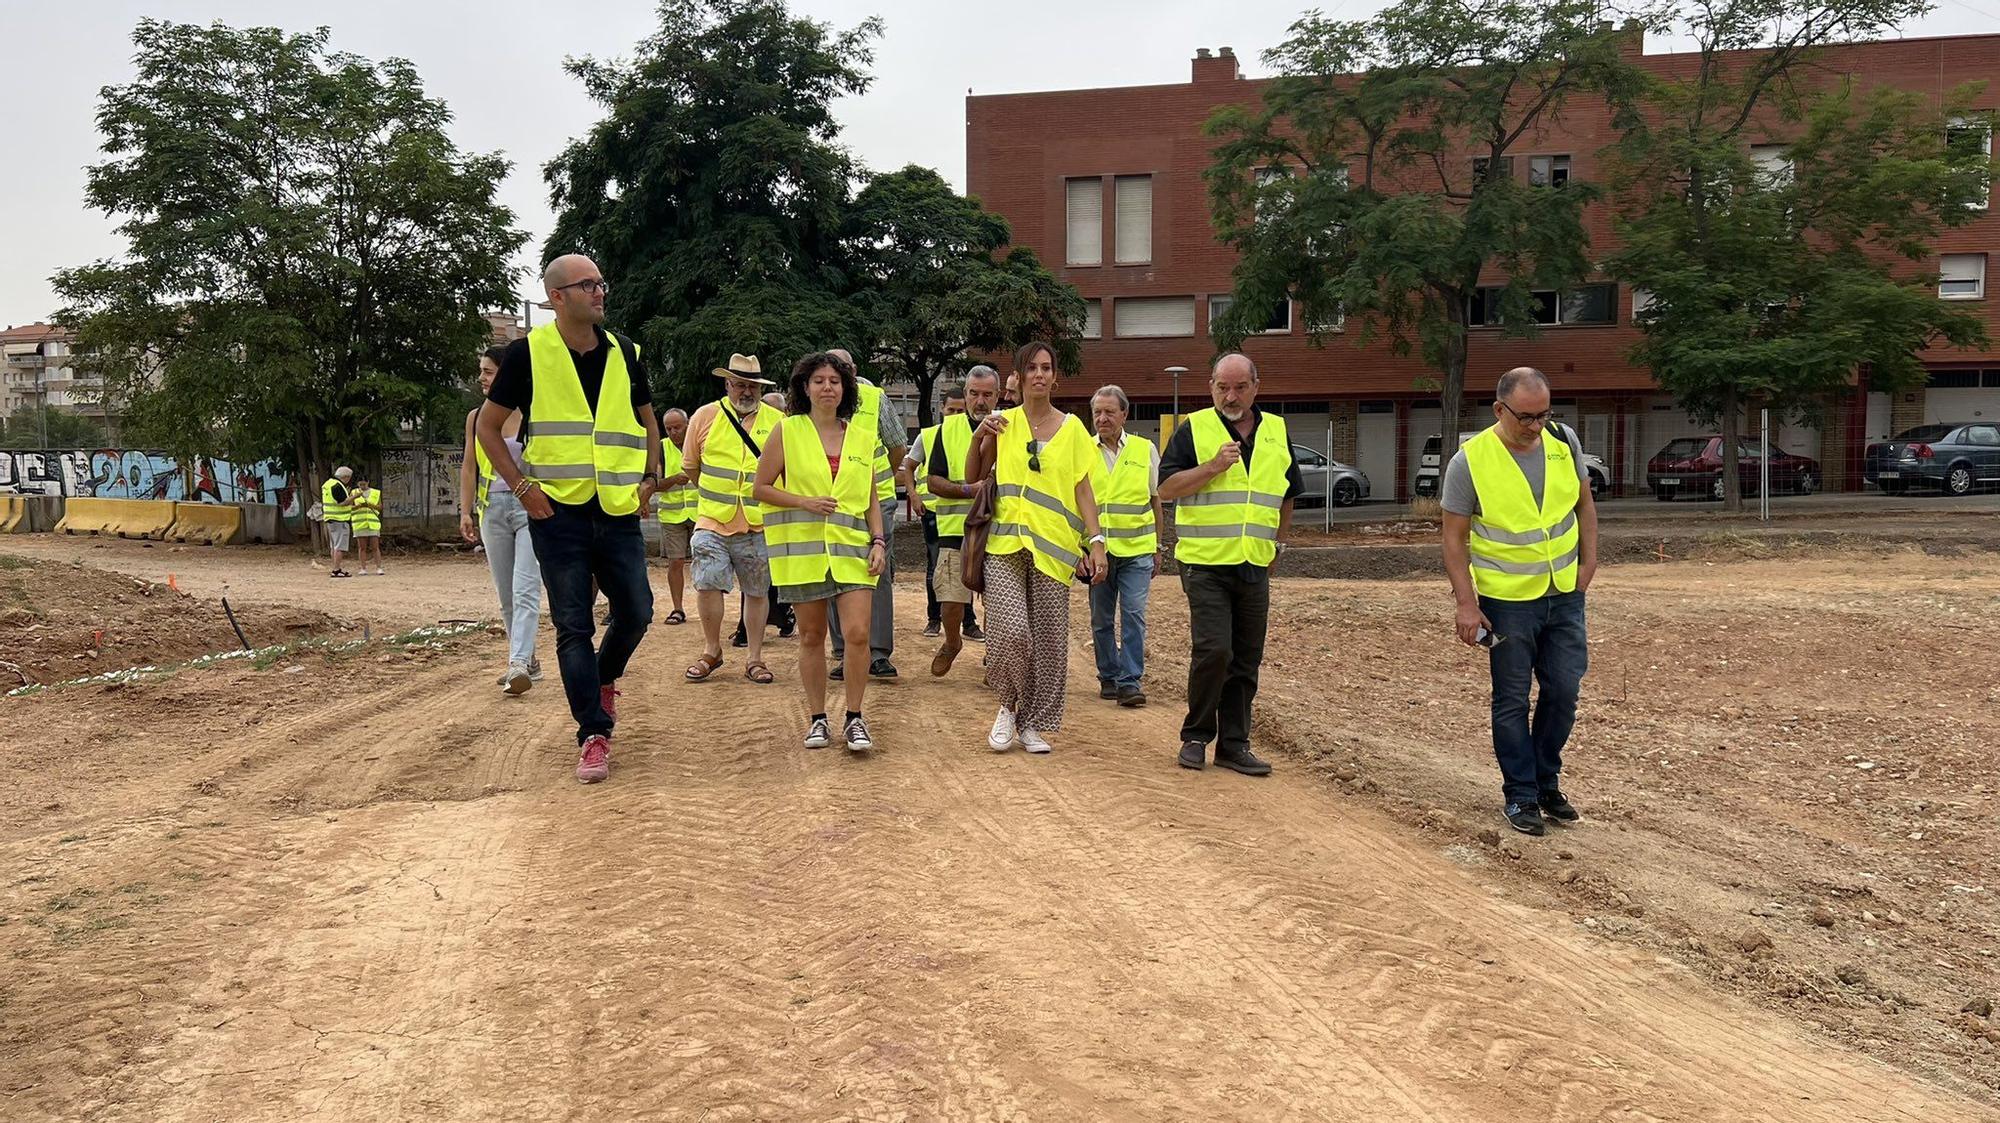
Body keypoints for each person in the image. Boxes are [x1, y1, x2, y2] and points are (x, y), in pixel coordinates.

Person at [478, 254, 660, 784]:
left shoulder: (625, 351)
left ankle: (602, 680)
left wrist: (650, 477)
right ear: (557, 297)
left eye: (602, 283)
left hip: (618, 508)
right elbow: (489, 430)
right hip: (556, 512)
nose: (600, 292)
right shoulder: (526, 355)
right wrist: (523, 488)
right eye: (588, 285)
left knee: (638, 612)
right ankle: (593, 733)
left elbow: (647, 420)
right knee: (573, 625)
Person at [1441, 367, 1598, 837]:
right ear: (1499, 410)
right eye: (1526, 417)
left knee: (1564, 691)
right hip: (1507, 602)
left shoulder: (1563, 441)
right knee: (1511, 700)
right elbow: (1453, 539)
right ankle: (1521, 794)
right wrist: (1466, 604)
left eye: (1544, 414)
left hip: (1564, 595)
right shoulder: (1470, 461)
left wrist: (1588, 565)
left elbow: (1584, 505)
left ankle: (1546, 781)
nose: (1536, 425)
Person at [1159, 353, 1303, 777]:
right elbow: (1166, 488)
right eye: (1223, 387)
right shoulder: (1195, 429)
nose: (1231, 395)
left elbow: (1288, 493)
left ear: (1256, 387)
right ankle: (1196, 735)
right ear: (1211, 387)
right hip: (1204, 563)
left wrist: (1278, 544)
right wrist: (1212, 467)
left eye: (1240, 387)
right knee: (1214, 649)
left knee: (1246, 656)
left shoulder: (1276, 430)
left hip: (1254, 563)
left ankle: (1234, 745)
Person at [965, 342, 1107, 753]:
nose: (1040, 374)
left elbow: (1083, 489)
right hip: (1005, 543)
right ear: (1019, 377)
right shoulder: (1002, 423)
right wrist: (979, 437)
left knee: (1047, 640)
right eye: (1032, 368)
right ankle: (1008, 707)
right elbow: (974, 475)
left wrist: (1095, 542)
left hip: (1054, 548)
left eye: (1047, 367)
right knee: (1012, 632)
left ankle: (1033, 724)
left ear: (1055, 377)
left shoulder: (1075, 429)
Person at [752, 352, 889, 751]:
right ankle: (817, 718)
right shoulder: (787, 430)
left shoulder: (863, 436)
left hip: (853, 551)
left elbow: (871, 498)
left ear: (845, 389)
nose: (827, 387)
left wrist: (878, 541)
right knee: (812, 636)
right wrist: (803, 502)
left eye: (834, 380)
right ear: (804, 387)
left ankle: (855, 717)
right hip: (804, 554)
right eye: (819, 381)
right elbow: (761, 488)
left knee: (858, 635)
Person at [683, 353, 782, 685]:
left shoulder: (777, 420)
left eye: (752, 385)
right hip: (712, 519)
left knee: (757, 590)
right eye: (739, 384)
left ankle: (755, 658)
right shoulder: (705, 416)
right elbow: (691, 466)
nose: (746, 391)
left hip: (758, 522)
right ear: (727, 384)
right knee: (708, 581)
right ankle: (712, 650)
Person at [460, 344, 542, 694]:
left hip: (529, 508)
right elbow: (469, 465)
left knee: (525, 589)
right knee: (506, 593)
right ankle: (526, 660)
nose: (481, 377)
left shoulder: (533, 413)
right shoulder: (476, 417)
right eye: (481, 370)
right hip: (491, 509)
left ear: (507, 373)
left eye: (488, 371)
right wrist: (465, 511)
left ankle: (518, 663)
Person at [826, 348, 906, 682]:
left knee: (877, 573)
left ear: (854, 369)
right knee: (832, 570)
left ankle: (878, 653)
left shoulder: (875, 398)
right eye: (831, 369)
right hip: (832, 502)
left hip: (879, 500)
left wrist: (871, 480)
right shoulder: (819, 398)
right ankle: (844, 652)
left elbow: (897, 446)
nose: (837, 375)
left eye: (843, 368)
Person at [1086, 385, 1163, 707]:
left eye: (1109, 412)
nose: (1102, 419)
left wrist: (1159, 545)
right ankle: (1108, 674)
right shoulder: (1083, 451)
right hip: (1098, 553)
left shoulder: (1145, 450)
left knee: (1133, 613)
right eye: (1097, 413)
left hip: (1137, 550)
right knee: (1101, 619)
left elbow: (1155, 499)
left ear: (1124, 414)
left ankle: (1130, 681)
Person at [923, 366, 1002, 674]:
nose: (980, 400)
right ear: (965, 394)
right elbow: (932, 482)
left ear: (997, 396)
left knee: (997, 602)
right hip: (955, 530)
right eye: (974, 393)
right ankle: (953, 641)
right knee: (951, 600)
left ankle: (995, 658)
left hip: (998, 530)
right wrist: (969, 490)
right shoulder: (947, 430)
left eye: (986, 394)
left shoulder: (1009, 427)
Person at [905, 388, 979, 642]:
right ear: (942, 410)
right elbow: (910, 466)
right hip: (935, 514)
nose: (956, 414)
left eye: (960, 410)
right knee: (938, 569)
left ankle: (969, 623)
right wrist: (913, 495)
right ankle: (934, 619)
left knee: (970, 575)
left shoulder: (978, 432)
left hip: (972, 520)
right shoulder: (929, 435)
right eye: (951, 410)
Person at [655, 407, 694, 625]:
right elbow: (655, 484)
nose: (673, 432)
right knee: (675, 562)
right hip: (672, 515)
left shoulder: (699, 443)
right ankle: (677, 608)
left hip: (702, 513)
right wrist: (673, 480)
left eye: (677, 427)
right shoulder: (661, 447)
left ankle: (708, 607)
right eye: (669, 428)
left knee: (706, 563)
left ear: (687, 425)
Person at [320, 466, 354, 577]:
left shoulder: (328, 484)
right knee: (340, 546)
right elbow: (342, 502)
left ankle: (335, 567)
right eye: (349, 478)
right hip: (340, 519)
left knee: (334, 545)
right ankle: (336, 570)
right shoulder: (337, 486)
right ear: (345, 477)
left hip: (330, 518)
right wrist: (354, 497)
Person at [350, 475, 384, 575]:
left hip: (372, 523)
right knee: (362, 547)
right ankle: (363, 568)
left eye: (364, 484)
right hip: (359, 523)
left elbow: (380, 507)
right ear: (357, 484)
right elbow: (349, 507)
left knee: (375, 547)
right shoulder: (354, 492)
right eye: (360, 484)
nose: (362, 486)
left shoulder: (375, 492)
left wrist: (370, 505)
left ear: (368, 482)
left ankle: (379, 567)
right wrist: (359, 506)